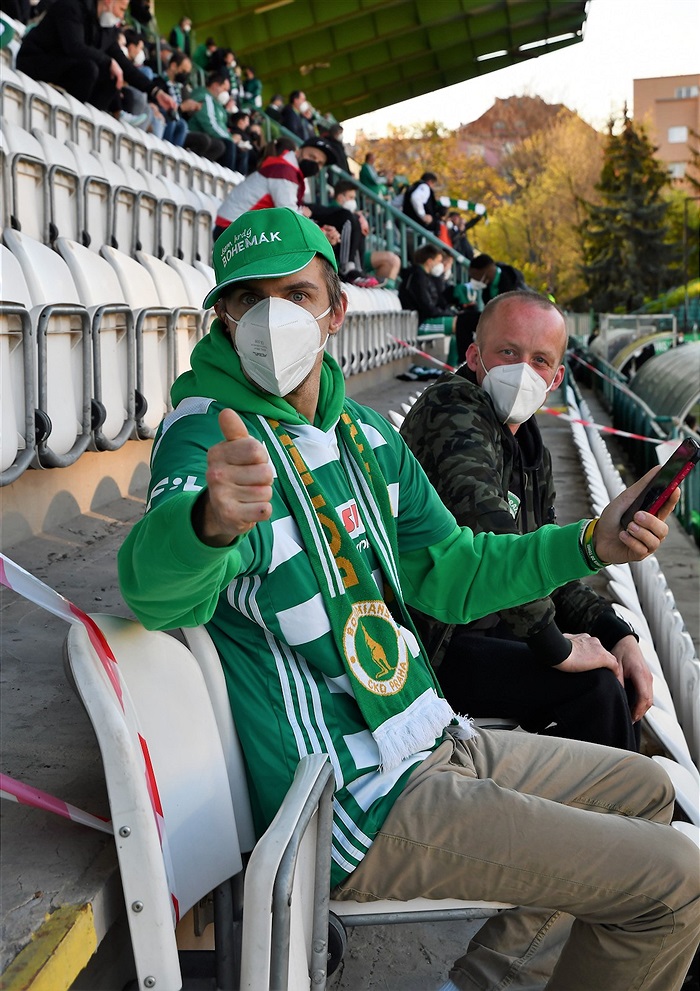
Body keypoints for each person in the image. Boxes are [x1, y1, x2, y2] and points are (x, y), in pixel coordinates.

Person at [118, 206, 698, 991]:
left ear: (335, 309)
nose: (271, 319)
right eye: (248, 300)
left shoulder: (363, 432)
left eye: (294, 294)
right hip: (352, 797)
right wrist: (209, 522)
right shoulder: (209, 438)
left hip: (426, 737)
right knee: (674, 879)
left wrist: (591, 540)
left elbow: (453, 571)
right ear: (222, 315)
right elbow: (153, 593)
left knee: (651, 791)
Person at [400, 290, 651, 750]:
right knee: (595, 688)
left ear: (555, 379)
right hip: (434, 642)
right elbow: (497, 543)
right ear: (474, 356)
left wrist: (616, 634)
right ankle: (622, 816)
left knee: (615, 669)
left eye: (539, 360)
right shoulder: (452, 408)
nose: (521, 371)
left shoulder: (532, 450)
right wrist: (557, 647)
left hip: (493, 630)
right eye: (508, 352)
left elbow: (541, 565)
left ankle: (620, 807)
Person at [16, 0, 176, 117]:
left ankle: (87, 118)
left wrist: (155, 92)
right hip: (36, 61)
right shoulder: (72, 6)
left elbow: (125, 66)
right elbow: (74, 47)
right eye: (121, 9)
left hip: (65, 68)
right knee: (90, 69)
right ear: (108, 2)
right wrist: (108, 61)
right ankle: (69, 115)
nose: (121, 17)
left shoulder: (107, 30)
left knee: (111, 78)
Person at [399, 243, 473, 366]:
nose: (441, 265)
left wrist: (451, 312)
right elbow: (428, 308)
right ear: (429, 261)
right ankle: (456, 368)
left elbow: (436, 303)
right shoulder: (418, 277)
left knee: (462, 323)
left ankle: (454, 367)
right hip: (418, 324)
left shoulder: (425, 277)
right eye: (439, 261)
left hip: (423, 319)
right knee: (460, 324)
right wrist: (449, 314)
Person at [188, 70, 245, 174]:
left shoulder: (216, 103)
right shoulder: (205, 97)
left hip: (214, 137)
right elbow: (210, 125)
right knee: (229, 145)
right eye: (224, 89)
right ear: (215, 85)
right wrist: (229, 138)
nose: (226, 93)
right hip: (200, 135)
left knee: (242, 152)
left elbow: (220, 125)